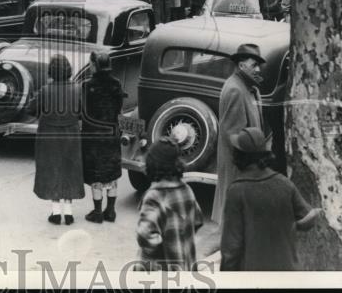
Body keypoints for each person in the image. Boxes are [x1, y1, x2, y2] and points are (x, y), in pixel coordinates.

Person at [220, 127, 321, 271]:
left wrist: (226, 278)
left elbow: (231, 247)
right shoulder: (284, 184)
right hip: (288, 272)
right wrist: (290, 225)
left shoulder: (237, 191)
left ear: (239, 156)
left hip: (254, 276)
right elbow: (308, 220)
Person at [214, 43, 265, 230]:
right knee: (235, 219)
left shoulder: (249, 87)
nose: (258, 69)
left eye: (259, 65)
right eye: (254, 65)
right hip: (239, 166)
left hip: (246, 165)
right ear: (241, 65)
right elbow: (234, 135)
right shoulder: (235, 89)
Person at [135, 138, 205, 271]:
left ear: (152, 163)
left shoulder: (154, 196)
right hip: (186, 266)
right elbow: (198, 220)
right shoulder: (187, 190)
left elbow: (144, 235)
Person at [33, 55, 84, 225]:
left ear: (51, 71)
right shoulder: (78, 89)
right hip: (71, 134)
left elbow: (30, 109)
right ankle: (68, 213)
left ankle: (55, 213)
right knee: (69, 170)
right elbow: (84, 113)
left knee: (52, 170)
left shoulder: (45, 90)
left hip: (49, 135)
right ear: (68, 70)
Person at [81, 52, 124, 224]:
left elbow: (82, 112)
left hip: (93, 135)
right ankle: (111, 211)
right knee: (111, 172)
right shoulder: (116, 84)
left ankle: (97, 212)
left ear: (94, 65)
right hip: (111, 133)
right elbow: (120, 108)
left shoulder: (87, 86)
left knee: (96, 174)